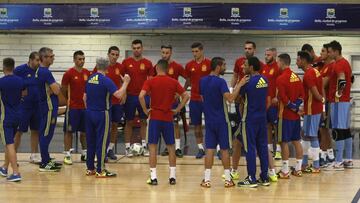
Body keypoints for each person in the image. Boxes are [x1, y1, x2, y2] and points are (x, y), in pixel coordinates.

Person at [139, 59, 189, 185]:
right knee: (171, 147)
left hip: (155, 117)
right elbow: (186, 96)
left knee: (153, 148)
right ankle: (172, 177)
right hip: (168, 118)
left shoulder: (150, 81)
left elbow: (140, 96)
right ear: (167, 69)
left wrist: (145, 110)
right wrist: (177, 109)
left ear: (156, 69)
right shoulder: (173, 81)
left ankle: (154, 177)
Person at [199, 57, 244, 188]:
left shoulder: (202, 81)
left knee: (210, 150)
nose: (225, 67)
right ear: (218, 66)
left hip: (209, 120)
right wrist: (239, 85)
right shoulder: (221, 82)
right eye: (224, 65)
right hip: (222, 121)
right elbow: (230, 99)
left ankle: (206, 180)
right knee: (224, 150)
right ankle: (228, 180)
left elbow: (202, 98)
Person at [84, 57, 129, 177]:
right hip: (102, 113)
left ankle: (90, 168)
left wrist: (90, 108)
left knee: (91, 141)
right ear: (107, 67)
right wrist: (126, 83)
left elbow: (84, 97)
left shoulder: (89, 78)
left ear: (97, 65)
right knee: (102, 142)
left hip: (88, 113)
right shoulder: (106, 80)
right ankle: (101, 169)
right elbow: (118, 95)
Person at [237, 57, 269, 188]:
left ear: (251, 67)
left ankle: (251, 178)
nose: (243, 67)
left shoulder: (247, 81)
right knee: (262, 147)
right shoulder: (265, 80)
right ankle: (264, 177)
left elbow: (238, 97)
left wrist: (240, 84)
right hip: (262, 118)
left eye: (245, 65)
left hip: (249, 119)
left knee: (249, 147)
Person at [93, 46, 125, 161]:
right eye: (113, 54)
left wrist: (124, 94)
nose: (115, 57)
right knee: (104, 126)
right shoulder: (100, 67)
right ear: (108, 54)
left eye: (117, 55)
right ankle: (101, 149)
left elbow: (123, 81)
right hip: (103, 103)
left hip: (116, 101)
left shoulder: (121, 67)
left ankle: (110, 149)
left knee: (115, 125)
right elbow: (93, 82)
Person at [122, 39, 154, 157]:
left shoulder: (148, 63)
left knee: (144, 121)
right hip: (130, 96)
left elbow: (150, 81)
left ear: (142, 48)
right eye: (134, 48)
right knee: (129, 122)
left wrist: (150, 96)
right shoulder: (125, 62)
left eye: (138, 48)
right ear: (132, 49)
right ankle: (127, 148)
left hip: (143, 96)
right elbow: (122, 80)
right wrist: (123, 92)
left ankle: (144, 146)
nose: (136, 50)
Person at [325, 40, 353, 170]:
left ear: (336, 51)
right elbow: (351, 78)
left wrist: (338, 94)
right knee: (346, 130)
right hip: (344, 101)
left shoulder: (339, 64)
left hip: (339, 101)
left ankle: (338, 161)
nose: (329, 54)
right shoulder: (346, 63)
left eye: (330, 51)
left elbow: (342, 79)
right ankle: (348, 159)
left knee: (338, 130)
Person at [276, 53, 304, 179]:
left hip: (285, 115)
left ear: (282, 63)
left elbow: (283, 98)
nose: (277, 65)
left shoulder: (281, 79)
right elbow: (302, 96)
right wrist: (296, 107)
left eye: (278, 62)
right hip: (296, 116)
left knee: (283, 142)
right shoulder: (297, 77)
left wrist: (292, 106)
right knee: (297, 141)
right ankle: (298, 169)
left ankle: (285, 170)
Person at [297, 51, 324, 173]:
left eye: (298, 59)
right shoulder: (315, 71)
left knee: (312, 135)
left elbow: (316, 93)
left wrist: (322, 100)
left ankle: (316, 166)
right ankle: (304, 163)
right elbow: (321, 86)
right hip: (311, 109)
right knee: (305, 134)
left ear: (303, 60)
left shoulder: (308, 75)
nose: (296, 62)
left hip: (313, 109)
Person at [61, 50, 90, 165]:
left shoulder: (88, 72)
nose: (81, 61)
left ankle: (85, 153)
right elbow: (63, 90)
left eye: (83, 59)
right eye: (79, 59)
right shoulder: (68, 73)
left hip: (84, 108)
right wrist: (69, 100)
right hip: (72, 108)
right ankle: (67, 155)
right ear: (74, 60)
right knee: (69, 131)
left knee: (84, 132)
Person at [0, 58, 25, 182]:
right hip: (18, 115)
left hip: (6, 117)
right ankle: (4, 167)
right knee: (10, 142)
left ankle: (15, 172)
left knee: (9, 144)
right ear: (13, 67)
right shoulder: (20, 81)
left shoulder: (1, 82)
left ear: (3, 67)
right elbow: (25, 93)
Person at [37, 47, 62, 172]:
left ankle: (46, 159)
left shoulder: (43, 71)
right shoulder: (45, 72)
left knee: (47, 133)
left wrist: (55, 87)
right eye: (51, 56)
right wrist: (56, 87)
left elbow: (55, 88)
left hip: (48, 107)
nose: (53, 58)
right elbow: (57, 90)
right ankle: (44, 162)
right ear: (44, 58)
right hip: (48, 107)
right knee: (46, 134)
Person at [184, 42, 211, 159]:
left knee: (211, 125)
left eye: (196, 51)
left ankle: (215, 148)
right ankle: (200, 148)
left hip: (208, 100)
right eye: (193, 52)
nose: (194, 54)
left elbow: (214, 79)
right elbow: (188, 80)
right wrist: (182, 91)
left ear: (202, 50)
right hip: (194, 99)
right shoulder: (189, 65)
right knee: (197, 126)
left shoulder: (209, 63)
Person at [13, 52, 41, 164]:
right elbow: (12, 84)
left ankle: (34, 155)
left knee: (35, 130)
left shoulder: (40, 71)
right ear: (30, 60)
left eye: (40, 60)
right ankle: (12, 156)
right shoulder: (19, 70)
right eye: (37, 60)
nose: (39, 62)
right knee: (19, 131)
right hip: (23, 106)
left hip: (37, 106)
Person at [159, 45, 187, 158]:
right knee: (165, 124)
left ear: (171, 53)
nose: (165, 55)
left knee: (175, 124)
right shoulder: (158, 66)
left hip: (173, 101)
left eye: (167, 53)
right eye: (163, 52)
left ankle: (178, 148)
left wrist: (180, 92)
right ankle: (168, 146)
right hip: (161, 101)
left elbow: (188, 78)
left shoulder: (177, 66)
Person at [318, 43, 335, 166]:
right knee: (324, 129)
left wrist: (323, 107)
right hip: (323, 101)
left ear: (329, 53)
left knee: (324, 129)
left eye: (323, 51)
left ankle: (323, 155)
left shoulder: (331, 66)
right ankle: (329, 154)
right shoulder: (323, 66)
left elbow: (322, 85)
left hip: (327, 101)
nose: (321, 54)